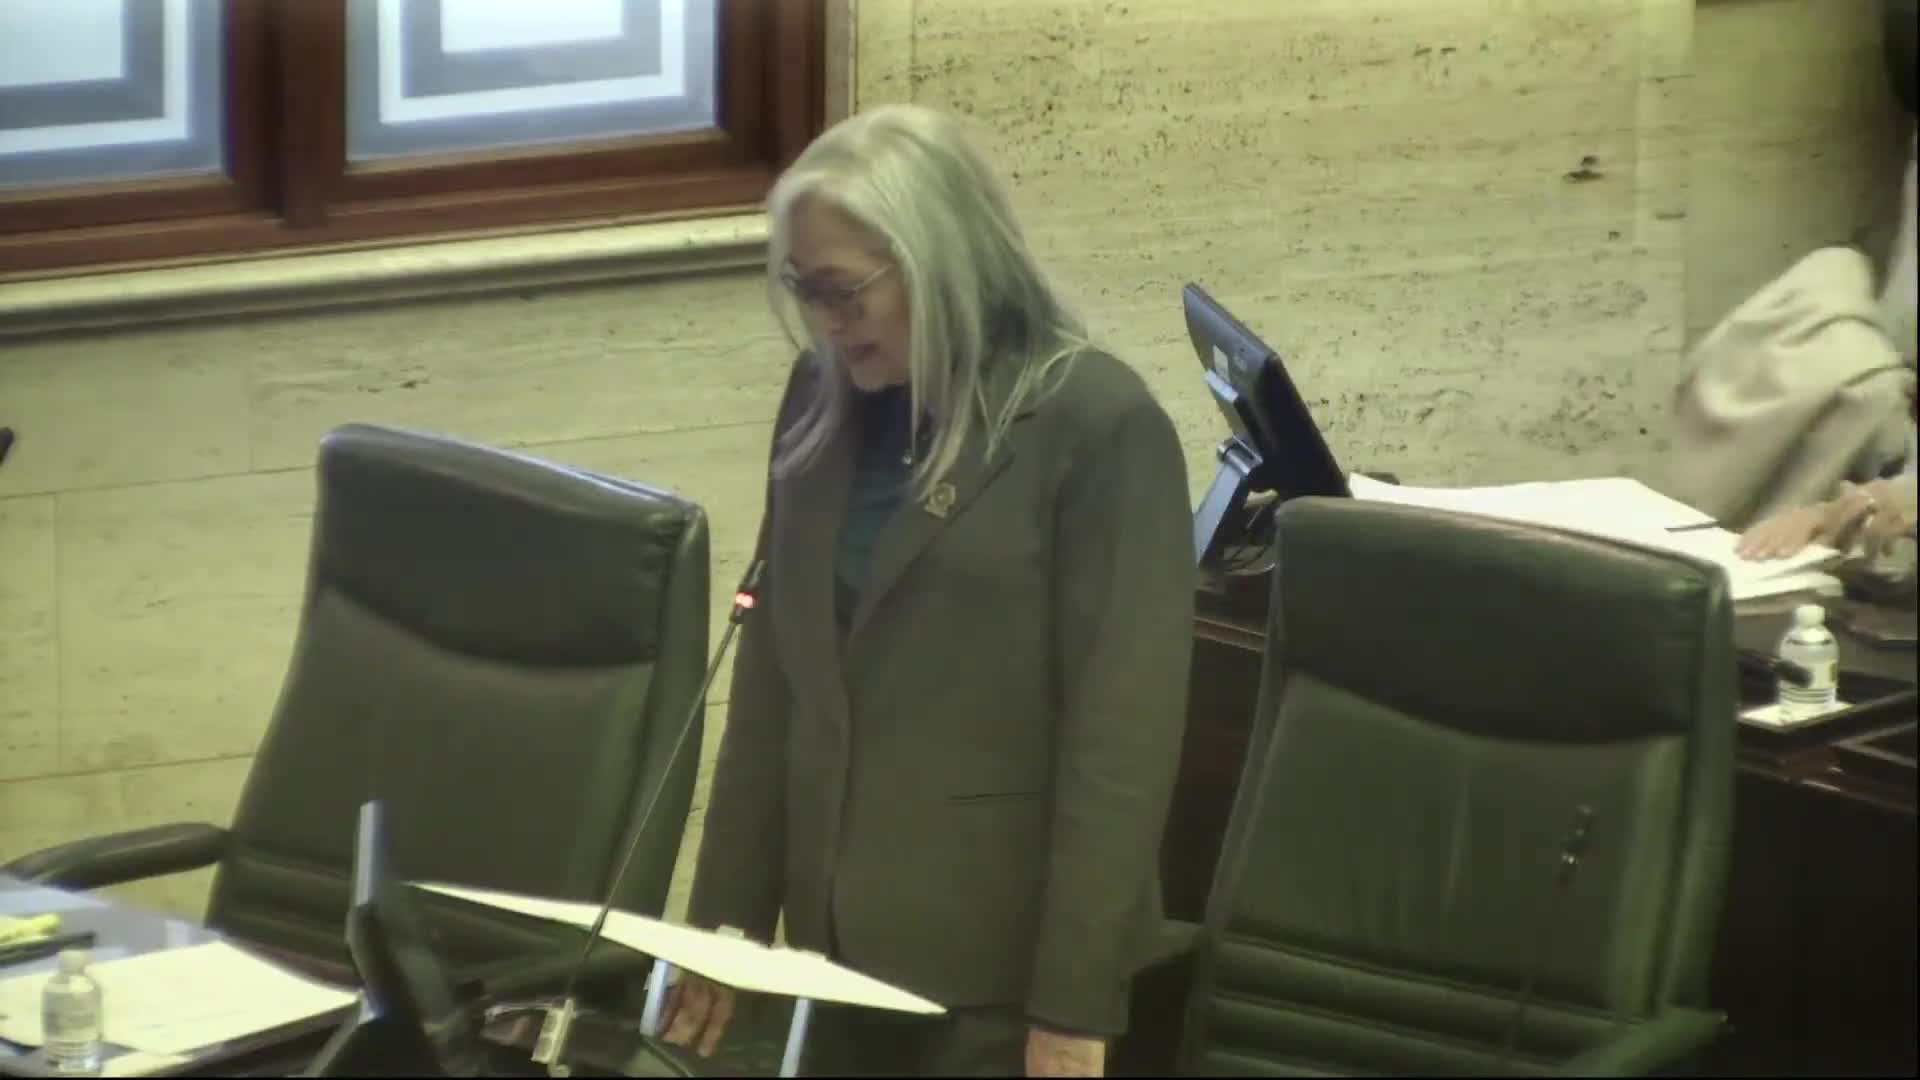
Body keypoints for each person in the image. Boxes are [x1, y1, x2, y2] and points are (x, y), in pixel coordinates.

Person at [658, 104, 1195, 1077]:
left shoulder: (1097, 427)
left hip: (995, 980)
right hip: (828, 958)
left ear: (941, 260)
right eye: (804, 292)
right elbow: (773, 690)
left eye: (845, 293)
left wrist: (1074, 1008)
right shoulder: (820, 402)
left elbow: (1120, 750)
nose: (827, 323)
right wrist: (722, 930)